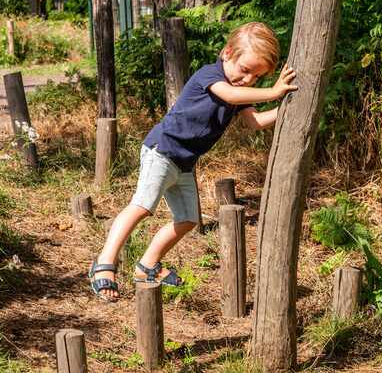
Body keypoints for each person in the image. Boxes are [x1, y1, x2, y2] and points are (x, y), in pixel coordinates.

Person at [89, 21, 298, 301]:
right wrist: (272, 92)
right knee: (141, 207)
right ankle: (104, 262)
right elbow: (231, 94)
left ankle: (147, 265)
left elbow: (255, 122)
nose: (248, 80)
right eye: (245, 70)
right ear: (227, 53)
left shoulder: (240, 91)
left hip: (184, 162)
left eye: (257, 77)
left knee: (187, 220)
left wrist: (288, 105)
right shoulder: (210, 76)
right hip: (162, 151)